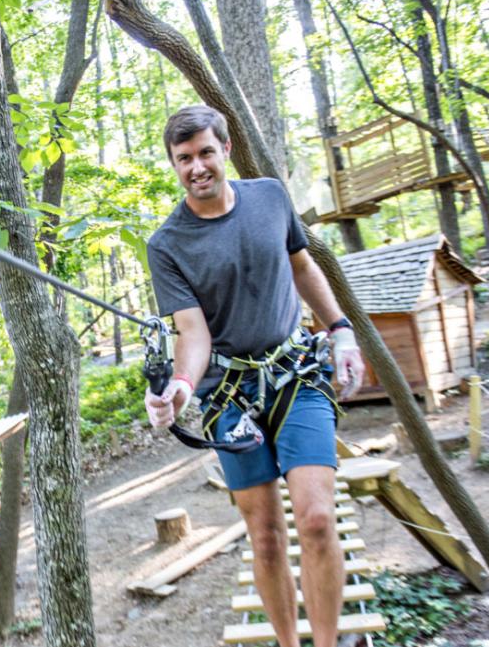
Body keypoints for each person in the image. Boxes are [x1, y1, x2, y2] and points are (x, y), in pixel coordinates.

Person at [142, 105, 365, 647]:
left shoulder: (269, 197)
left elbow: (302, 265)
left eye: (205, 153)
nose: (196, 167)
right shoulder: (167, 245)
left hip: (297, 375)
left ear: (226, 150)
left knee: (315, 520)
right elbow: (192, 334)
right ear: (174, 165)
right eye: (183, 158)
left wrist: (341, 330)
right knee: (265, 537)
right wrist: (181, 387)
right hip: (229, 395)